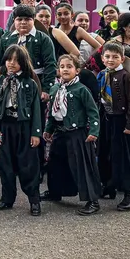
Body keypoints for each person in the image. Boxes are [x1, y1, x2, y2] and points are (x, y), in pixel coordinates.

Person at [43, 55, 102, 215]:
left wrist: (93, 132)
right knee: (55, 164)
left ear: (77, 70)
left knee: (81, 166)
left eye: (69, 66)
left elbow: (93, 113)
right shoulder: (55, 89)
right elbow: (52, 113)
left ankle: (92, 200)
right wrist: (48, 129)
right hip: (60, 131)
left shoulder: (81, 90)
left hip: (77, 133)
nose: (65, 69)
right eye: (62, 66)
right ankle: (56, 191)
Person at [0, 45, 43, 216]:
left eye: (16, 60)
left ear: (23, 62)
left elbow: (36, 109)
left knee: (28, 165)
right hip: (6, 126)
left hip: (24, 127)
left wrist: (36, 133)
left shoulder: (30, 83)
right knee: (6, 165)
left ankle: (34, 200)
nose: (11, 63)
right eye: (8, 59)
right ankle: (7, 198)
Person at [96, 42, 130, 210]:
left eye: (115, 57)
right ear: (102, 58)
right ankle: (109, 185)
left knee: (126, 156)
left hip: (122, 120)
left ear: (122, 59)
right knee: (106, 153)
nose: (111, 60)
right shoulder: (102, 75)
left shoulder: (125, 76)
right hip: (107, 119)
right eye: (108, 56)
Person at [0, 5, 57, 95]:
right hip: (9, 84)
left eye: (27, 19)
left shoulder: (43, 39)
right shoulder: (6, 38)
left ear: (33, 20)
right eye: (19, 19)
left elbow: (50, 65)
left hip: (36, 84)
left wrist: (46, 89)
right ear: (14, 20)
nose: (23, 22)